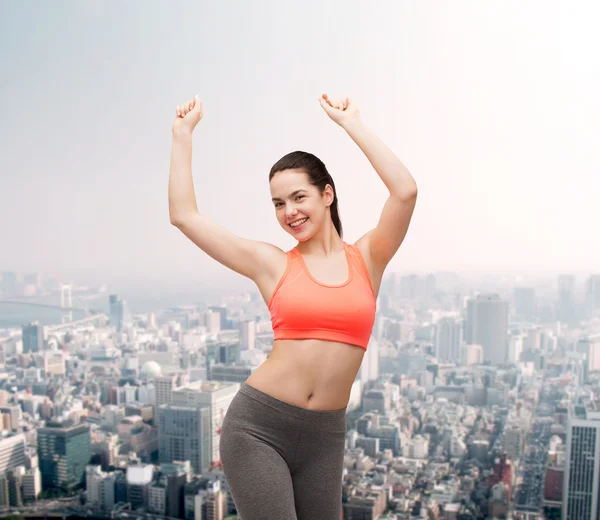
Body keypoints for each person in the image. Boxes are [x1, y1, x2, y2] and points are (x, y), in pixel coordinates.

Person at [168, 92, 418, 520]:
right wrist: (182, 135)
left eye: (298, 197)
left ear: (327, 194)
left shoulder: (369, 257)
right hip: (258, 428)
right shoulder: (272, 264)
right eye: (278, 203)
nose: (288, 212)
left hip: (326, 436)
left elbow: (405, 191)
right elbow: (184, 216)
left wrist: (352, 124)